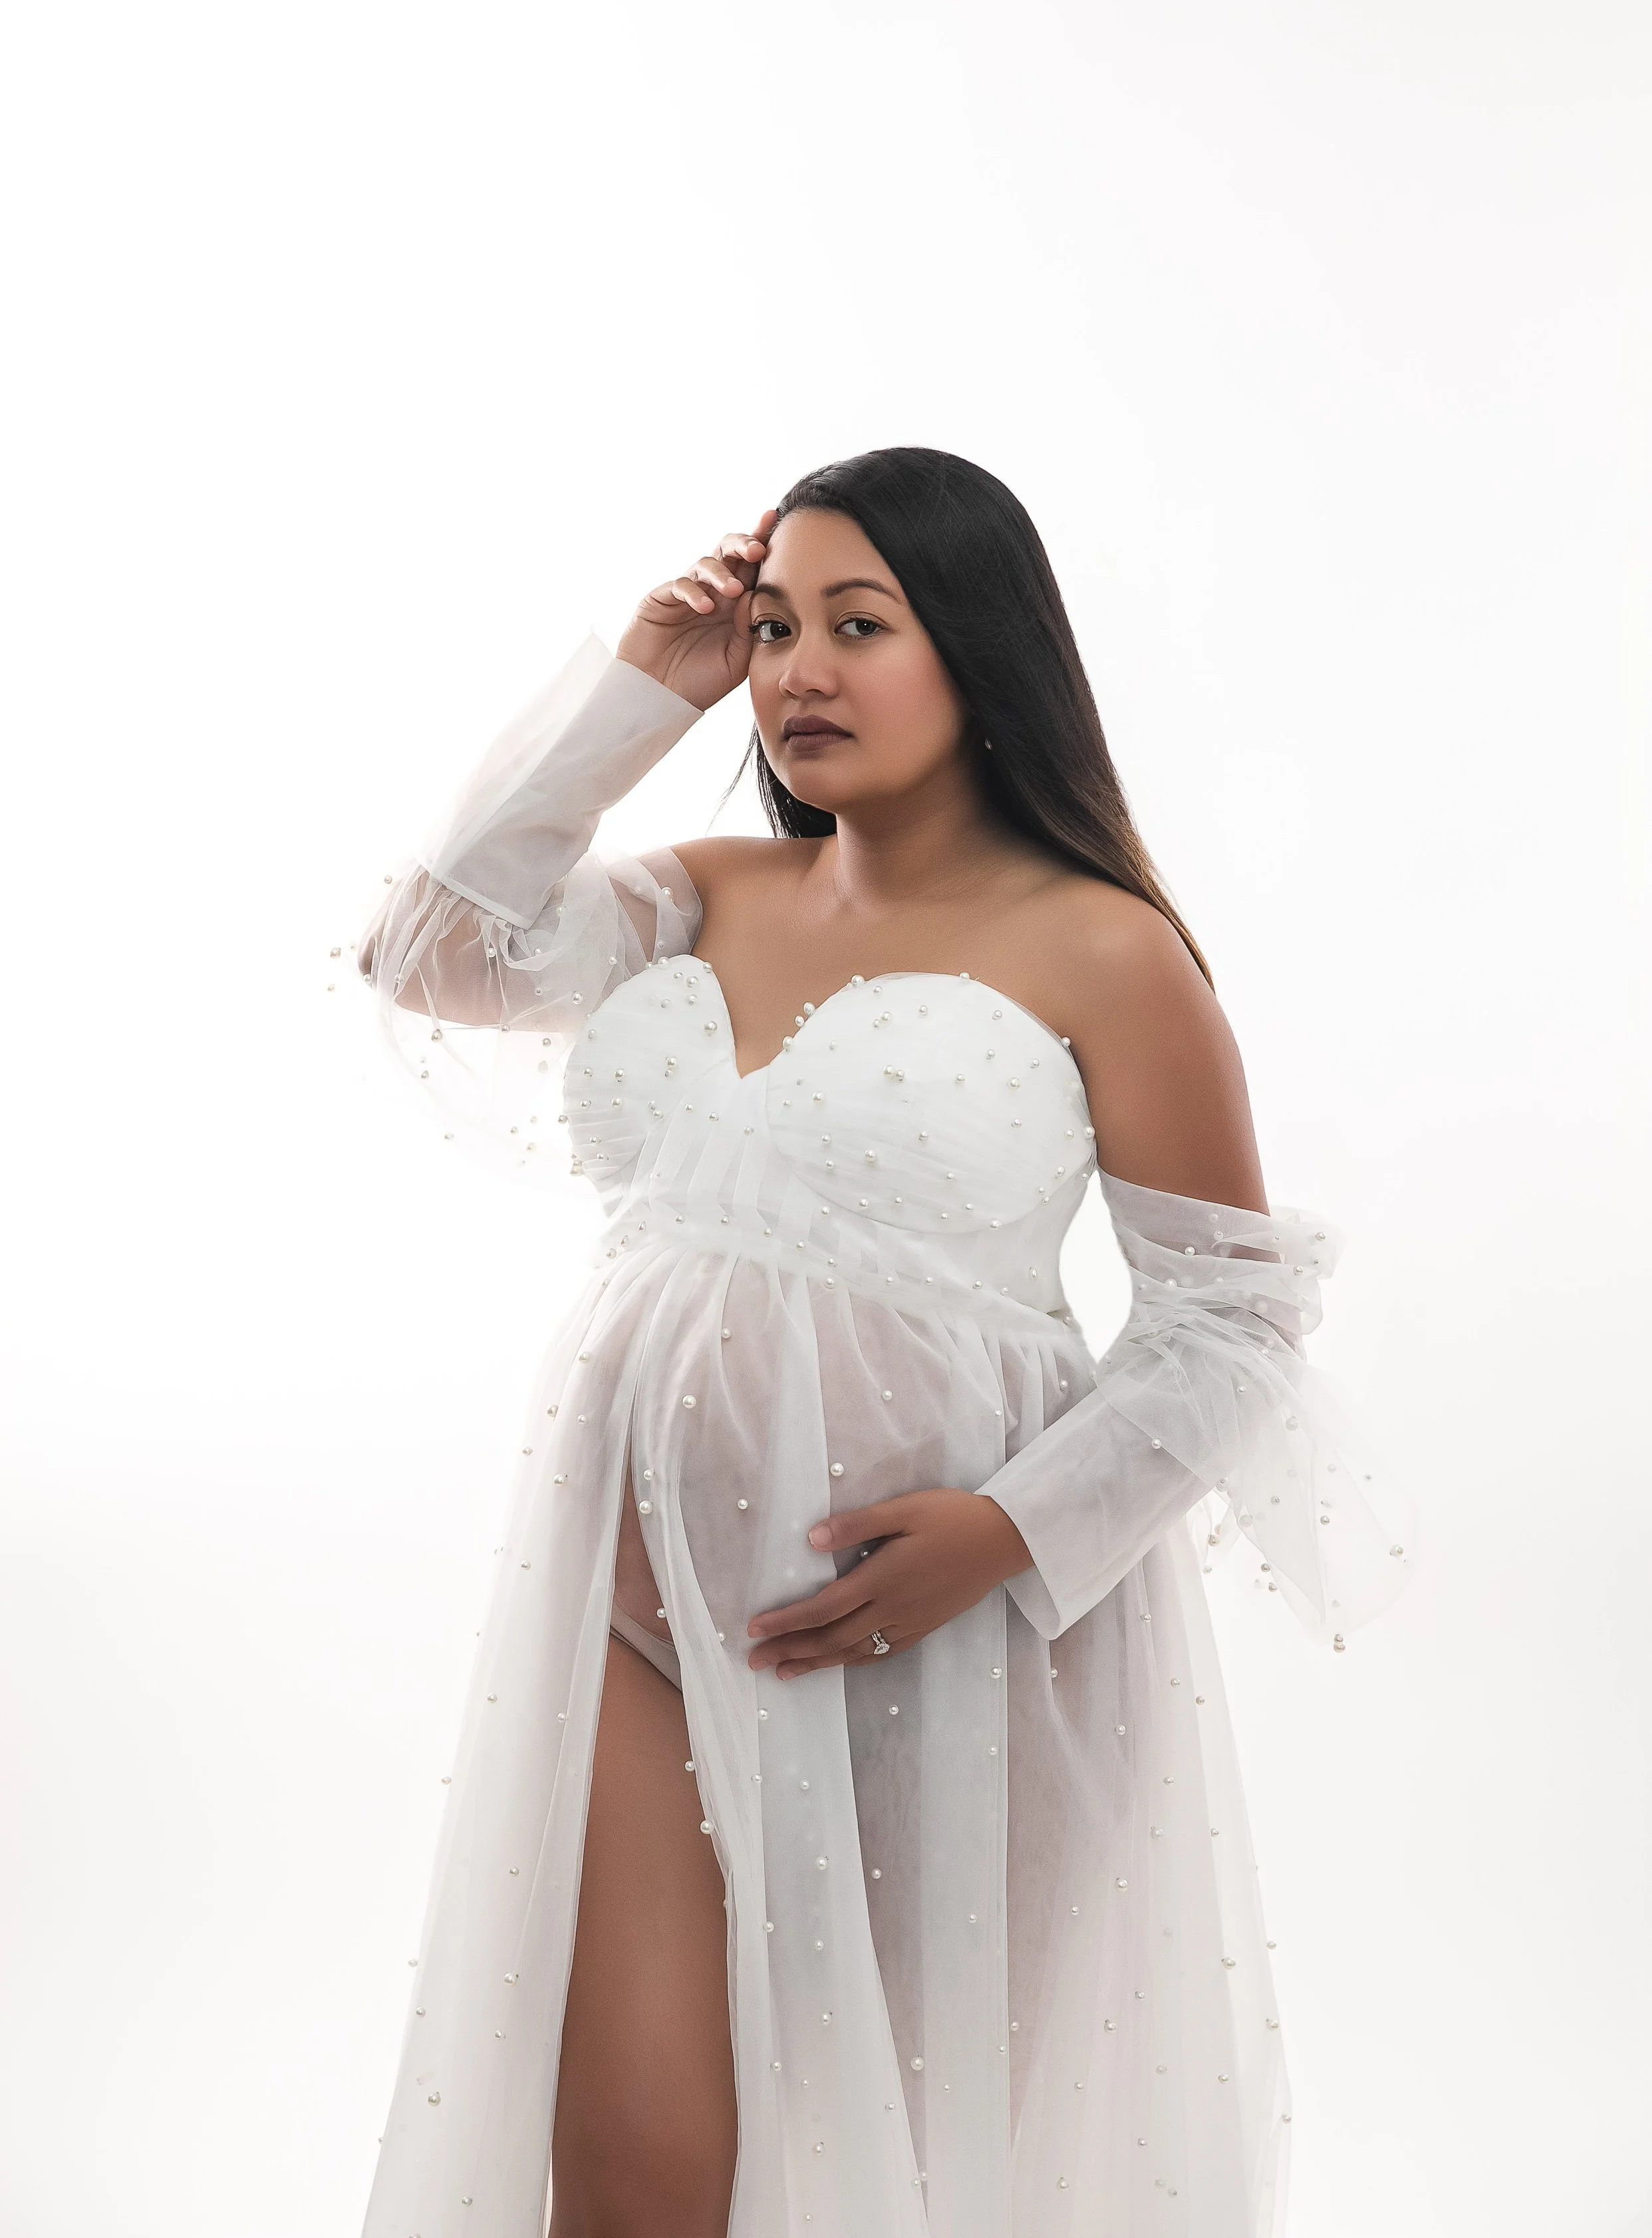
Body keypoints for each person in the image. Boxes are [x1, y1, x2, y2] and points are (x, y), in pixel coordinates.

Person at [355, 446, 1412, 2238]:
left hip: (952, 1646)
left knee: (903, 2180)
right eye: (774, 629)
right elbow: (425, 949)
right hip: (633, 1616)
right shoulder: (701, 893)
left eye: (860, 624)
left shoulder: (1104, 951)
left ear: (979, 650)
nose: (799, 671)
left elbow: (1230, 1323)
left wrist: (1008, 1533)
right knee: (626, 2183)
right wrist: (641, 683)